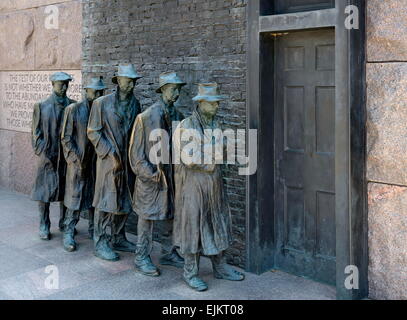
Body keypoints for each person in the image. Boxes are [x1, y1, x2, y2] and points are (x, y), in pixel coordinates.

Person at [173, 83, 245, 291]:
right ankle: (190, 272)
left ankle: (220, 267)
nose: (217, 107)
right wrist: (214, 156)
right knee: (193, 227)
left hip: (214, 185)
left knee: (218, 224)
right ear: (201, 104)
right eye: (213, 104)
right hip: (193, 187)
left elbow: (227, 152)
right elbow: (190, 158)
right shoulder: (186, 126)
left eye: (217, 103)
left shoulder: (217, 125)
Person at [129, 71, 186, 276]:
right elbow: (135, 154)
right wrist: (150, 175)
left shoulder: (179, 117)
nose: (177, 93)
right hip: (150, 180)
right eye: (173, 89)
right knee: (147, 218)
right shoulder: (145, 117)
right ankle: (141, 256)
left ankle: (169, 252)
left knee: (171, 215)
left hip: (171, 178)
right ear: (162, 90)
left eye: (179, 89)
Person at [87, 64, 141, 261]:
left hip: (128, 161)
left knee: (125, 199)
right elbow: (93, 132)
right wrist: (109, 153)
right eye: (128, 80)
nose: (131, 84)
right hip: (108, 161)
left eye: (133, 80)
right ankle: (100, 242)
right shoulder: (102, 103)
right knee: (106, 201)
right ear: (118, 81)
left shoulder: (136, 103)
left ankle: (118, 236)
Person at [61, 77, 107, 252]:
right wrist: (74, 160)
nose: (97, 95)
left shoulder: (102, 111)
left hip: (96, 164)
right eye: (94, 91)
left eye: (100, 92)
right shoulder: (74, 109)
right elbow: (66, 137)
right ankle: (68, 231)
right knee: (74, 199)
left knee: (94, 199)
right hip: (78, 163)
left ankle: (94, 230)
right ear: (86, 91)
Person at [31, 72, 76, 240]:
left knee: (66, 190)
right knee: (44, 192)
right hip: (48, 156)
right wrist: (42, 151)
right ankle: (44, 223)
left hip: (66, 157)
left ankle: (65, 222)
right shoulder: (41, 106)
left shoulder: (73, 106)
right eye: (60, 84)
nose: (64, 87)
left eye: (66, 84)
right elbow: (36, 133)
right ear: (52, 85)